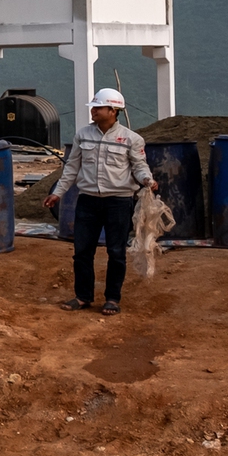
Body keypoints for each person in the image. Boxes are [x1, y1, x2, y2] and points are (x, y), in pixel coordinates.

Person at [46, 89, 155, 314]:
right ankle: (83, 296)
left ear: (113, 111)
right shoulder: (83, 135)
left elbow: (139, 165)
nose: (93, 111)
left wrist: (147, 180)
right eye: (93, 107)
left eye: (98, 108)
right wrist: (58, 192)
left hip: (119, 202)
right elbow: (72, 167)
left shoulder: (131, 139)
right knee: (82, 250)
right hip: (88, 201)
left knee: (116, 251)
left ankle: (112, 299)